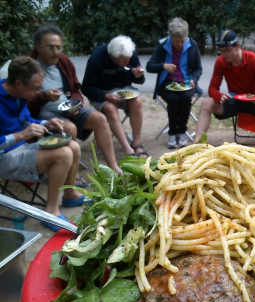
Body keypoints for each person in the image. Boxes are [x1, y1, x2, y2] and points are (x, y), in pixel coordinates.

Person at [0, 57, 85, 231]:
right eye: (35, 88)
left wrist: (45, 122)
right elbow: (21, 131)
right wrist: (21, 135)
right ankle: (51, 212)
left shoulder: (17, 94)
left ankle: (70, 194)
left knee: (73, 146)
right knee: (63, 154)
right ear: (18, 83)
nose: (39, 92)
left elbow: (25, 120)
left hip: (19, 148)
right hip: (4, 156)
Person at [28, 24, 122, 174]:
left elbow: (75, 89)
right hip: (43, 114)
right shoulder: (29, 66)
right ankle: (72, 173)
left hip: (67, 107)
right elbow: (24, 101)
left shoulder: (63, 61)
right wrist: (45, 96)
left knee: (100, 119)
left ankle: (113, 166)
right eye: (51, 47)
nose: (56, 52)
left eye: (59, 47)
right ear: (38, 46)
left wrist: (76, 103)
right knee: (70, 128)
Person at [193, 30, 255, 152]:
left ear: (237, 46)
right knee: (207, 102)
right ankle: (196, 145)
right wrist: (219, 96)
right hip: (234, 100)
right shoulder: (221, 62)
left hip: (254, 101)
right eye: (221, 51)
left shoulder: (254, 59)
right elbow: (212, 89)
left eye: (227, 50)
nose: (224, 54)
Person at [82, 35, 147, 157]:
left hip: (123, 90)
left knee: (137, 102)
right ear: (113, 57)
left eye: (129, 59)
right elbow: (86, 88)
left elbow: (141, 80)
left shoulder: (130, 54)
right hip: (101, 92)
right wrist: (105, 96)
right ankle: (127, 149)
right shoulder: (97, 58)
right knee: (110, 109)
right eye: (123, 61)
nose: (127, 62)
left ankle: (137, 143)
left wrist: (137, 75)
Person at [146, 17, 202, 149]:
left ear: (186, 36)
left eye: (182, 41)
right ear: (170, 37)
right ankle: (173, 132)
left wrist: (194, 79)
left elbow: (198, 69)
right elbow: (149, 66)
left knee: (186, 97)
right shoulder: (163, 46)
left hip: (187, 82)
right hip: (167, 83)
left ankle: (181, 131)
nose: (180, 44)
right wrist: (163, 66)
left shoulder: (192, 45)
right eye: (176, 41)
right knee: (173, 98)